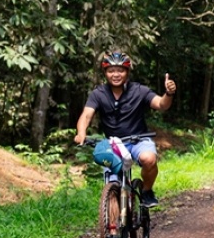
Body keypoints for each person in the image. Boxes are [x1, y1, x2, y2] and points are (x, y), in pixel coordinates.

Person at [74, 51, 176, 207]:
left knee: (149, 159)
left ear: (127, 72)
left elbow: (161, 104)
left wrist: (168, 93)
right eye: (111, 70)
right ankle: (113, 226)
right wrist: (81, 134)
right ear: (105, 73)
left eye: (120, 70)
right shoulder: (98, 94)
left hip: (139, 139)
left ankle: (147, 191)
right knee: (113, 184)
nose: (116, 74)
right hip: (113, 144)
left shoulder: (139, 90)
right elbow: (86, 115)